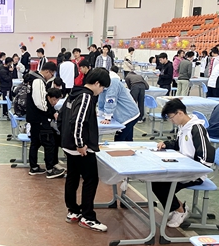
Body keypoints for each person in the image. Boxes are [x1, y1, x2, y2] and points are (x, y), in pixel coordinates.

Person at [58, 68, 111, 231]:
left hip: (68, 144)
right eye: (102, 87)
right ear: (97, 83)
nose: (101, 91)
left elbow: (61, 117)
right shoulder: (86, 97)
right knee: (91, 180)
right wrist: (80, 144)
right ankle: (88, 217)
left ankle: (73, 211)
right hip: (80, 148)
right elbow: (77, 121)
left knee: (72, 177)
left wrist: (66, 139)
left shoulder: (73, 93)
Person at [154, 98, 215, 227]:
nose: (171, 121)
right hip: (183, 167)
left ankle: (180, 211)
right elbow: (179, 143)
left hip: (196, 173)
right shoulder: (183, 127)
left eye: (171, 117)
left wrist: (193, 171)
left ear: (180, 113)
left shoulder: (196, 128)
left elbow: (207, 156)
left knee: (161, 185)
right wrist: (166, 144)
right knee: (156, 180)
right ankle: (179, 207)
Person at [25, 61, 65, 179]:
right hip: (40, 118)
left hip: (33, 117)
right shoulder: (38, 81)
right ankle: (50, 170)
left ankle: (34, 167)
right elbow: (41, 103)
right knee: (49, 143)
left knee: (35, 143)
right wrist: (50, 113)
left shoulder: (32, 78)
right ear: (48, 71)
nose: (51, 77)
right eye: (51, 75)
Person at [98, 66, 140, 141]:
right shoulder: (103, 84)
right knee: (128, 140)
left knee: (119, 139)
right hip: (122, 114)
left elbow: (110, 100)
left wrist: (107, 117)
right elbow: (101, 99)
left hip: (129, 114)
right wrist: (100, 113)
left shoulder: (113, 83)